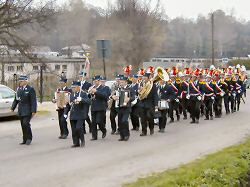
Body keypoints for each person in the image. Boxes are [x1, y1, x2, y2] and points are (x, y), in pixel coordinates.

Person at [11, 75, 37, 145]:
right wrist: (12, 108)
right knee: (23, 125)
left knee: (26, 123)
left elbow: (33, 101)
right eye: (20, 81)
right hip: (21, 110)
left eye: (21, 81)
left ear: (26, 81)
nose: (20, 82)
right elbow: (16, 100)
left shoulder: (30, 89)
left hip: (28, 110)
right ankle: (24, 139)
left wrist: (34, 110)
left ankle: (29, 138)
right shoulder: (18, 89)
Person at [64, 81, 91, 148]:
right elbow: (68, 105)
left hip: (80, 114)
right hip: (73, 115)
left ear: (79, 87)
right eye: (72, 87)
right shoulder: (71, 95)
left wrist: (82, 99)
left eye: (74, 87)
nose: (73, 88)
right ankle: (76, 143)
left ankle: (82, 140)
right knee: (74, 130)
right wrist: (65, 113)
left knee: (79, 128)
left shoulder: (83, 94)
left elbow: (89, 102)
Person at [112, 76, 135, 141]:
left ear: (126, 82)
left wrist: (129, 99)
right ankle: (122, 136)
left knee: (124, 121)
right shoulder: (118, 89)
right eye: (120, 82)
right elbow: (112, 96)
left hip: (127, 108)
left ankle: (127, 134)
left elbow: (134, 97)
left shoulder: (130, 89)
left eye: (122, 82)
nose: (121, 83)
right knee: (120, 122)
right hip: (120, 107)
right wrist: (113, 97)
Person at [90, 75, 110, 140]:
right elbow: (89, 97)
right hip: (93, 107)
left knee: (99, 121)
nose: (95, 83)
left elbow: (105, 96)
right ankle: (94, 136)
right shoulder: (92, 88)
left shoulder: (104, 88)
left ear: (99, 81)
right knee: (93, 123)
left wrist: (96, 92)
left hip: (101, 107)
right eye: (94, 81)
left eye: (96, 81)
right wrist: (89, 94)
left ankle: (103, 130)